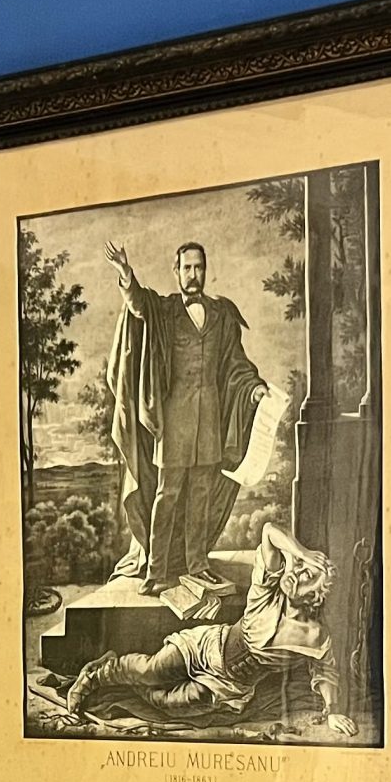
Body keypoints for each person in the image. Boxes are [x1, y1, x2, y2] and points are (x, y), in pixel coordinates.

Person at [64, 522, 355, 736]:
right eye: (300, 566)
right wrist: (302, 553)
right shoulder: (267, 591)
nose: (297, 573)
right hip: (206, 647)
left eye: (308, 576)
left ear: (316, 597)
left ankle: (125, 685)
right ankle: (96, 675)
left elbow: (326, 670)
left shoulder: (315, 636)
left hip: (228, 685)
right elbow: (269, 531)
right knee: (150, 671)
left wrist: (333, 712)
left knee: (170, 704)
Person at [102, 240, 271, 594]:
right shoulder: (164, 310)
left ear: (205, 271)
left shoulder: (221, 315)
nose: (193, 275)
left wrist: (254, 388)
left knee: (201, 496)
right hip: (173, 424)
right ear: (176, 271)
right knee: (167, 496)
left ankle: (198, 565)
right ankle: (156, 571)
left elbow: (235, 363)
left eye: (199, 268)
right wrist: (125, 273)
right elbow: (138, 302)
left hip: (209, 423)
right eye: (187, 268)